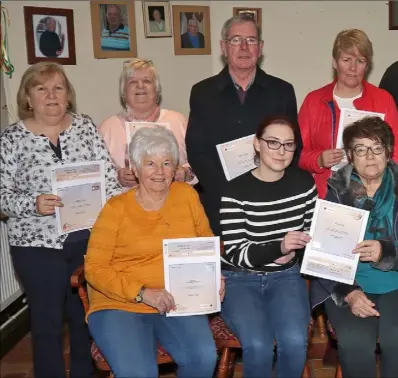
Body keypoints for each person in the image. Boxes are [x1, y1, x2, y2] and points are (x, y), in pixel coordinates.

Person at [0, 62, 122, 378]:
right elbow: (1, 196)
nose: (51, 95)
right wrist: (32, 203)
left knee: (85, 319)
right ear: (28, 97)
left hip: (86, 239)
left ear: (68, 95)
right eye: (41, 88)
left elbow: (108, 178)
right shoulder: (12, 138)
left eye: (58, 87)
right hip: (35, 244)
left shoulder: (85, 126)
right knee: (47, 324)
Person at [85, 127, 224, 378]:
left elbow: (205, 243)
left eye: (167, 162)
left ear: (175, 168)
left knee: (203, 357)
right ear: (135, 169)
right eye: (150, 163)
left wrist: (214, 277)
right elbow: (94, 269)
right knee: (139, 373)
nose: (159, 172)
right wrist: (141, 293)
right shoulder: (115, 209)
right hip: (120, 304)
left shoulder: (187, 195)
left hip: (177, 299)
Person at [185, 14, 301, 236]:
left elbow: (294, 148)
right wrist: (228, 193)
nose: (244, 47)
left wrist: (268, 189)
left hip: (271, 202)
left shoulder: (283, 91)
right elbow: (197, 151)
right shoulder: (202, 92)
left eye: (251, 40)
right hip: (220, 202)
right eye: (236, 40)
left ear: (261, 47)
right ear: (223, 47)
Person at [219, 116, 317, 377]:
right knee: (259, 345)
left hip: (286, 278)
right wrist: (280, 247)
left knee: (295, 343)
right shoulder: (234, 191)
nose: (281, 151)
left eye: (288, 144)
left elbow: (312, 234)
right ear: (256, 144)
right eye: (272, 143)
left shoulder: (304, 184)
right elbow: (236, 252)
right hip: (239, 279)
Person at [311, 117, 398, 378]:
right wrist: (349, 294)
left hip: (396, 284)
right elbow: (323, 256)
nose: (370, 156)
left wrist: (386, 253)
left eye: (377, 148)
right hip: (347, 283)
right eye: (361, 149)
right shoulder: (336, 191)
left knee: (396, 339)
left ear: (389, 151)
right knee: (356, 343)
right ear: (350, 155)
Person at [298, 29, 398, 200]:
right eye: (346, 60)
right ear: (335, 62)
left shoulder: (383, 100)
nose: (353, 68)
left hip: (376, 196)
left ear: (367, 65)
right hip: (327, 194)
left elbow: (396, 152)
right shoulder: (314, 101)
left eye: (360, 61)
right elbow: (296, 153)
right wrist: (319, 160)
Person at [98, 58, 196, 191]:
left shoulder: (178, 121)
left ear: (157, 90)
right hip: (124, 208)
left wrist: (186, 173)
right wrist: (117, 176)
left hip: (175, 204)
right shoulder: (107, 128)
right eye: (132, 82)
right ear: (123, 93)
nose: (140, 86)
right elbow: (96, 176)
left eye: (147, 81)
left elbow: (202, 162)